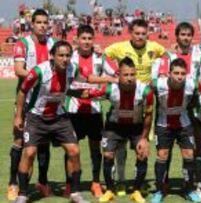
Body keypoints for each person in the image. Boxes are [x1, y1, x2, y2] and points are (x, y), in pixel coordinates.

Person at [13, 41, 89, 203]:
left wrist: (103, 84)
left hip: (59, 117)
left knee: (74, 151)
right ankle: (22, 194)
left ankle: (75, 193)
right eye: (61, 55)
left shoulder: (73, 69)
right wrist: (19, 116)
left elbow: (81, 83)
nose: (65, 59)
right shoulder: (39, 71)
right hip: (36, 117)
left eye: (68, 55)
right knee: (29, 153)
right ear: (52, 56)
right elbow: (22, 91)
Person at [77, 57, 153, 203]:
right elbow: (87, 94)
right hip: (114, 127)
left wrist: (144, 138)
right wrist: (71, 88)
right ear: (118, 75)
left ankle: (136, 191)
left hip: (136, 127)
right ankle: (110, 190)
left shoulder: (145, 91)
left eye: (132, 74)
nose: (130, 78)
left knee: (142, 154)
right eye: (126, 75)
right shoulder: (110, 88)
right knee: (108, 155)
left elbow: (149, 115)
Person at [105, 19, 165, 194]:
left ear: (148, 34)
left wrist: (160, 73)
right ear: (130, 33)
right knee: (120, 146)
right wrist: (115, 73)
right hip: (123, 94)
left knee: (142, 146)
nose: (140, 37)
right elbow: (104, 56)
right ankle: (122, 180)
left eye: (143, 33)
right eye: (136, 33)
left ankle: (138, 183)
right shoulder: (119, 47)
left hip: (143, 99)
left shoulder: (155, 47)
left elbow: (166, 56)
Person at [63, 24, 118, 198]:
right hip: (73, 111)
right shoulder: (69, 59)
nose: (86, 42)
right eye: (83, 38)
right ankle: (69, 183)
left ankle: (95, 182)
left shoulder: (101, 59)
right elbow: (66, 83)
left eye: (89, 38)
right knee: (71, 150)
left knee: (96, 149)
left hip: (94, 111)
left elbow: (117, 75)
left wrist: (102, 89)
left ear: (93, 40)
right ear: (77, 40)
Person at [9, 9, 57, 200]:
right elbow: (18, 70)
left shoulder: (53, 44)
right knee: (19, 142)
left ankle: (42, 182)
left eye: (45, 22)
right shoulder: (23, 43)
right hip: (26, 100)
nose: (43, 26)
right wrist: (40, 75)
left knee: (43, 143)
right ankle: (13, 183)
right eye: (39, 22)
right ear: (32, 24)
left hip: (46, 101)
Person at [150, 58, 201, 203]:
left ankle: (189, 189)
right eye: (176, 73)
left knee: (189, 154)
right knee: (162, 155)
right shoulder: (157, 84)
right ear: (169, 73)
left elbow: (196, 101)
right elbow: (146, 93)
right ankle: (159, 190)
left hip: (184, 123)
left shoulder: (192, 85)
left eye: (183, 73)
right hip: (163, 123)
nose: (180, 76)